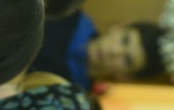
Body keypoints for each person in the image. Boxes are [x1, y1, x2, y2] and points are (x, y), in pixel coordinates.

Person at [31, 11, 166, 91]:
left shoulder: (71, 96)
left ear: (126, 76)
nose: (114, 51)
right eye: (124, 40)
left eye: (127, 60)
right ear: (118, 27)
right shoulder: (65, 13)